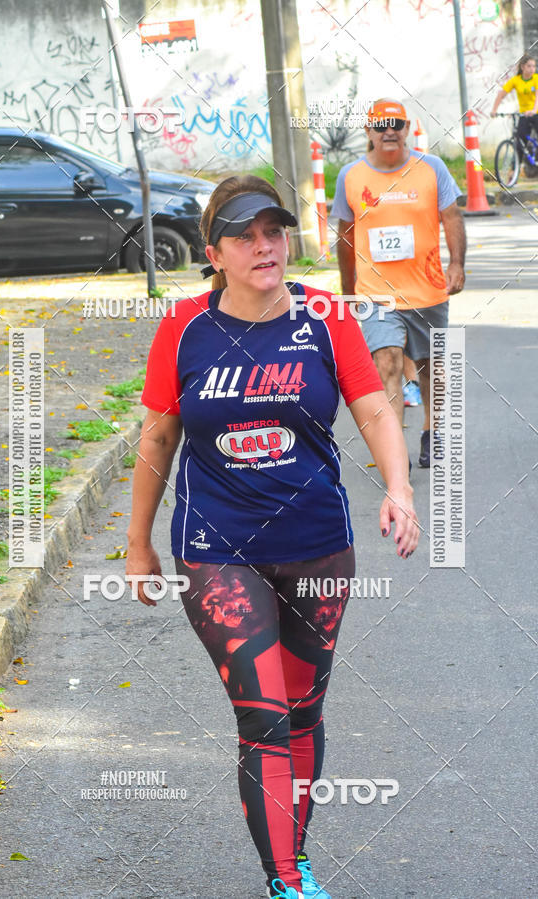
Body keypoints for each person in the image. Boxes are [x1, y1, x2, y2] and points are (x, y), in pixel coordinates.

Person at [126, 175, 419, 899]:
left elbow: (376, 409)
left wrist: (401, 490)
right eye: (245, 235)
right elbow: (159, 434)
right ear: (213, 252)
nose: (265, 246)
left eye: (275, 231)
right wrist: (138, 543)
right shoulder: (185, 327)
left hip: (319, 543)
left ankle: (296, 854)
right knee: (262, 710)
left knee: (303, 709)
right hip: (217, 547)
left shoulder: (323, 315)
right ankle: (286, 881)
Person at [332, 98, 466, 467]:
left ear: (407, 128)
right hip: (377, 295)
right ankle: (394, 450)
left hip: (428, 288)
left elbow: (452, 218)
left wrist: (457, 264)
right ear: (369, 132)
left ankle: (433, 433)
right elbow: (345, 236)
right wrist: (347, 292)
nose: (389, 131)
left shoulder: (432, 168)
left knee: (429, 366)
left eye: (397, 124)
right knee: (387, 362)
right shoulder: (351, 176)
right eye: (381, 125)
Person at [491, 53, 538, 174]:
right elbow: (501, 94)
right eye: (529, 66)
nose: (532, 69)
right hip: (524, 114)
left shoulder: (536, 79)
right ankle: (514, 173)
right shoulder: (515, 81)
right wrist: (494, 110)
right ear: (522, 67)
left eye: (534, 66)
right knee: (519, 142)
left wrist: (533, 110)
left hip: (536, 113)